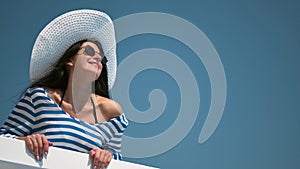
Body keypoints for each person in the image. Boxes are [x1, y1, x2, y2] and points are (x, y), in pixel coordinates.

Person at [0, 9, 128, 169]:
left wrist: (106, 156)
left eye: (102, 58)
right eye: (89, 51)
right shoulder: (39, 97)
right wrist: (25, 141)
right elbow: (4, 138)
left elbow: (117, 161)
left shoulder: (111, 113)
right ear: (70, 61)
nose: (97, 58)